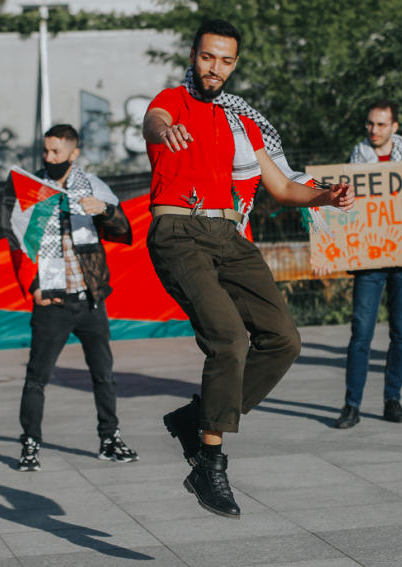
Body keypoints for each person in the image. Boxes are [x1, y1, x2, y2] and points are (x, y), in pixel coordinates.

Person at [142, 18, 354, 518]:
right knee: (229, 339)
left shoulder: (242, 121)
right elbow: (152, 121)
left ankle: (195, 417)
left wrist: (325, 195)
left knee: (284, 339)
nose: (215, 68)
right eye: (207, 57)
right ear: (193, 56)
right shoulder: (173, 101)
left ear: (235, 65)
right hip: (180, 232)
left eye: (225, 60)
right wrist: (165, 129)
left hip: (229, 236)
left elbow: (281, 187)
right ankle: (209, 462)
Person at [3, 124, 137, 472]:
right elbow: (16, 241)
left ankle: (110, 439)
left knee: (104, 375)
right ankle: (30, 445)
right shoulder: (31, 189)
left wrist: (104, 210)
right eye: (45, 151)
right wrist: (32, 286)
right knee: (37, 377)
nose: (49, 158)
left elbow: (124, 231)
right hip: (52, 301)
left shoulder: (93, 186)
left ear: (73, 153)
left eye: (56, 152)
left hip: (90, 299)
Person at [334, 100, 402, 429]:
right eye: (370, 124)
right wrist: (329, 253)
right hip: (368, 259)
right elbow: (341, 212)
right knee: (361, 334)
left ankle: (392, 399)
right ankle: (351, 404)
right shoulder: (353, 162)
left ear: (394, 127)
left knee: (401, 333)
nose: (374, 130)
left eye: (381, 125)